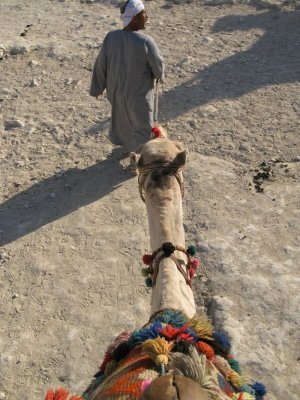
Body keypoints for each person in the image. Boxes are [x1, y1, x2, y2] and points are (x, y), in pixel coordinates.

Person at [90, 0, 165, 153]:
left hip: (115, 92)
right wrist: (159, 75)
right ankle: (137, 159)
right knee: (142, 127)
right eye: (144, 13)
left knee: (124, 120)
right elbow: (158, 69)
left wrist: (97, 88)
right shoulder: (146, 42)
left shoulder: (111, 37)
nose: (147, 16)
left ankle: (130, 148)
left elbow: (101, 64)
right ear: (134, 18)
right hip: (138, 95)